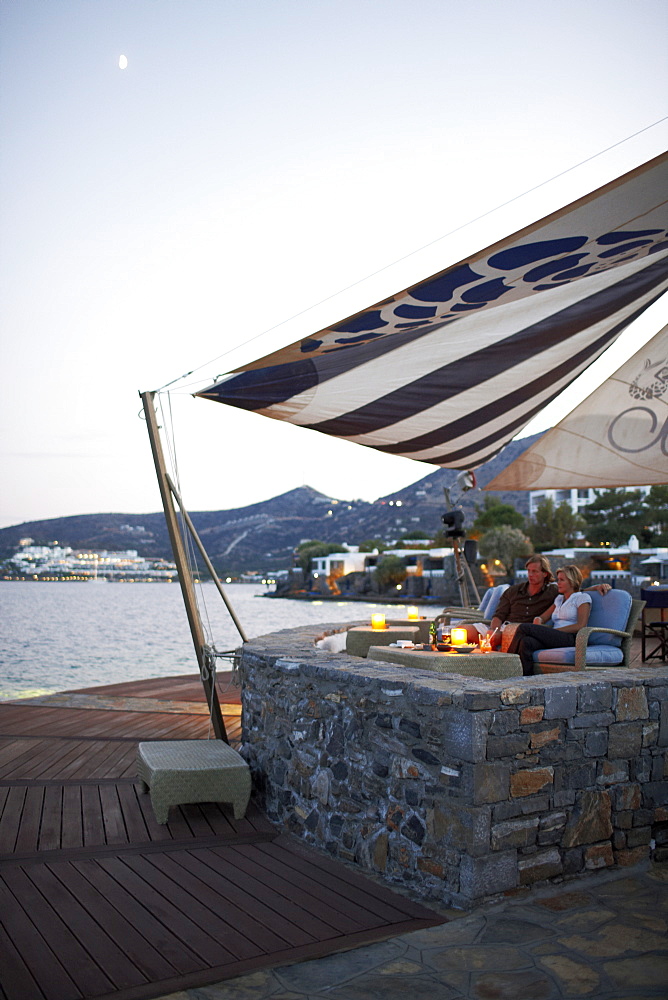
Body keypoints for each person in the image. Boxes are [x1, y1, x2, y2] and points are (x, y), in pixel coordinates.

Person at [454, 554, 610, 645]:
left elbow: (575, 590)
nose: (530, 574)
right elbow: (499, 615)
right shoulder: (513, 590)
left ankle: (494, 656)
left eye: (535, 571)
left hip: (522, 631)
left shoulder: (553, 591)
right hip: (500, 628)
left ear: (545, 574)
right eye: (528, 571)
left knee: (504, 638)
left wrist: (596, 587)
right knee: (459, 632)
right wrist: (491, 631)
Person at [507, 564, 592, 675]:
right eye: (558, 580)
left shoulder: (582, 598)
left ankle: (506, 662)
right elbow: (543, 617)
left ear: (572, 581)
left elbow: (581, 625)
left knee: (523, 627)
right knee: (526, 642)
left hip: (571, 638)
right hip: (555, 636)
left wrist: (555, 632)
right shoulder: (559, 599)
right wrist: (538, 620)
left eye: (562, 580)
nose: (558, 583)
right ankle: (525, 677)